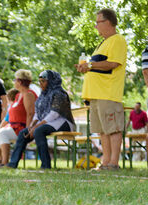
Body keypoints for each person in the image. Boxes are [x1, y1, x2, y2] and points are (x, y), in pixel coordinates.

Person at [76, 8, 127, 170]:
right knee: (102, 131)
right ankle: (105, 163)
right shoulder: (102, 43)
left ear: (109, 22)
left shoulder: (117, 40)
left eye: (98, 22)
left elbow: (113, 63)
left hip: (108, 93)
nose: (96, 26)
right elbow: (97, 66)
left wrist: (89, 65)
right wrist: (87, 67)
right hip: (96, 95)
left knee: (113, 129)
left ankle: (113, 163)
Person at [7, 70, 75, 169]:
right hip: (46, 123)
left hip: (63, 122)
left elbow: (54, 114)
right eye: (39, 81)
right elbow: (37, 114)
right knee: (23, 133)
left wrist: (36, 126)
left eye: (43, 81)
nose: (41, 84)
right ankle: (12, 164)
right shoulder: (43, 94)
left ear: (51, 81)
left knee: (38, 131)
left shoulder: (59, 93)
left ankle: (45, 165)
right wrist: (31, 126)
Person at [0, 70, 36, 167]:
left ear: (19, 82)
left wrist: (27, 129)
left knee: (3, 134)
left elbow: (30, 113)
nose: (14, 82)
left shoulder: (28, 94)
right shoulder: (18, 95)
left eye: (15, 80)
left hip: (22, 127)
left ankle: (5, 162)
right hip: (13, 126)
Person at [0, 88, 19, 166]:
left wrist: (0, 129)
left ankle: (4, 162)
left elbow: (5, 122)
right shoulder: (11, 107)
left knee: (1, 133)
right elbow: (5, 121)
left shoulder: (14, 106)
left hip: (16, 129)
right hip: (11, 128)